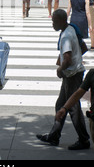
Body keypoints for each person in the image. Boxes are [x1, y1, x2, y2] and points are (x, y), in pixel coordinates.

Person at [36, 9, 90, 150]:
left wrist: (60, 70)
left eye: (54, 21)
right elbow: (83, 47)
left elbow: (67, 58)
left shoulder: (66, 35)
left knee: (72, 107)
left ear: (60, 21)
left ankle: (84, 140)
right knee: (61, 104)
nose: (52, 24)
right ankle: (54, 136)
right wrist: (76, 59)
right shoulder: (72, 28)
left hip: (72, 75)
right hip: (73, 73)